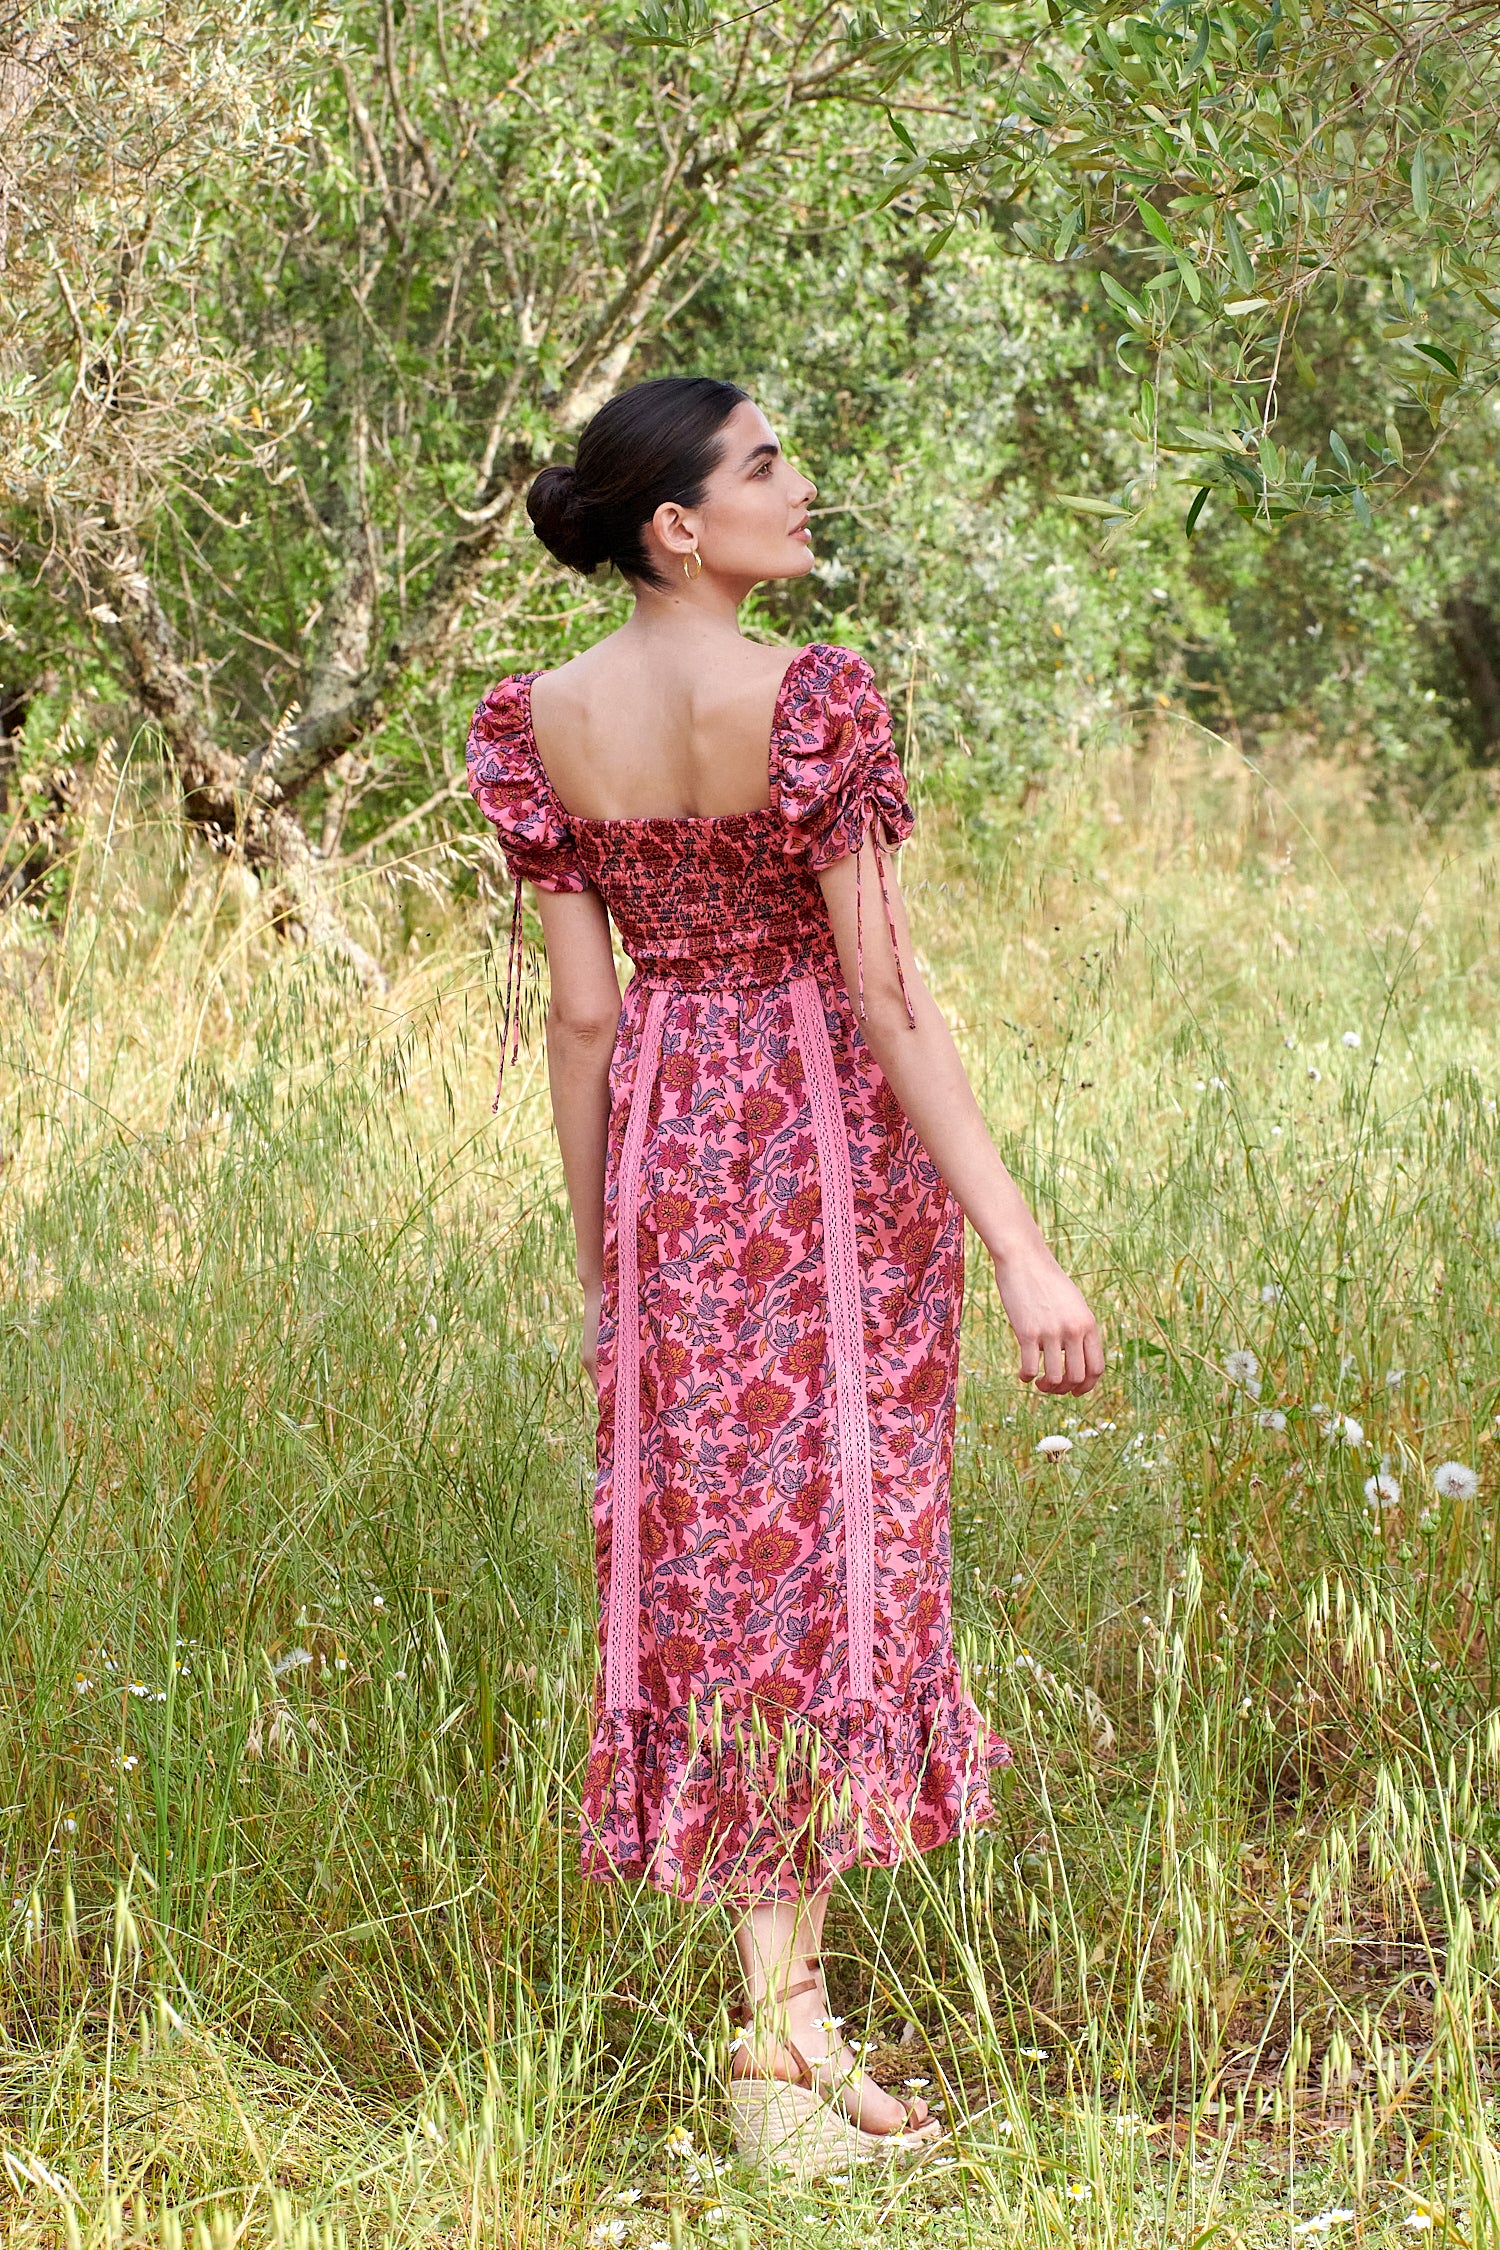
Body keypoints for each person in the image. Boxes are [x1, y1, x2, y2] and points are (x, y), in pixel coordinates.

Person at [465, 375, 1104, 2178]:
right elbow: (887, 995)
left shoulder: (537, 721)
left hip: (672, 1142)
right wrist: (1026, 1247)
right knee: (823, 1548)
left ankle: (794, 2027)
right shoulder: (813, 702)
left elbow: (583, 1013)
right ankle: (774, 2049)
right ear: (679, 525)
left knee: (734, 1557)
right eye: (765, 467)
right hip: (819, 1152)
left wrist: (609, 1251)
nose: (799, 488)